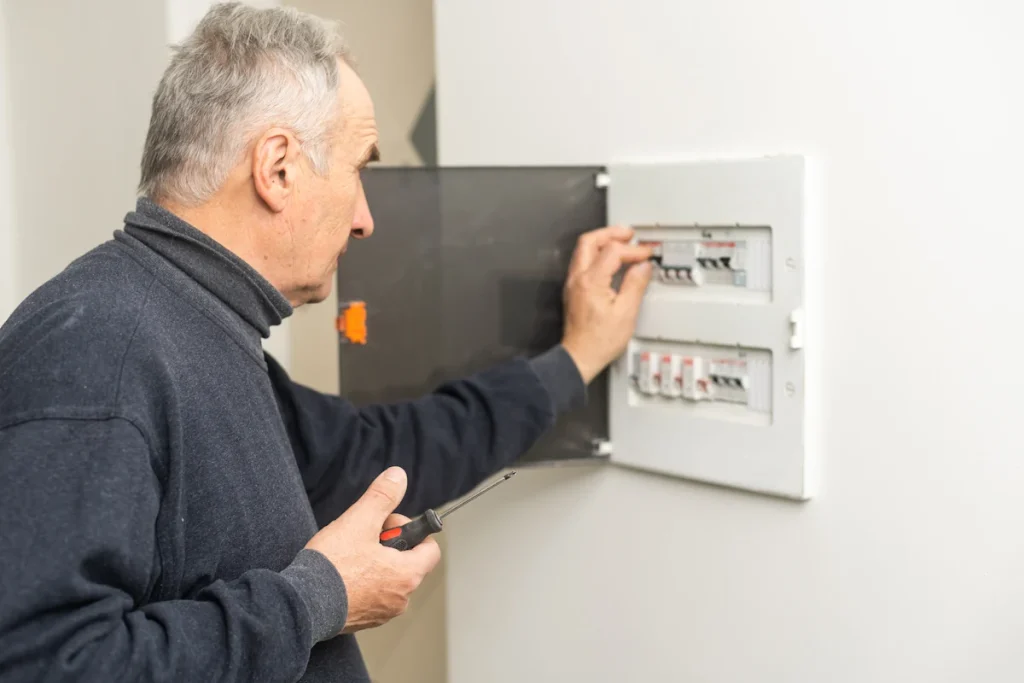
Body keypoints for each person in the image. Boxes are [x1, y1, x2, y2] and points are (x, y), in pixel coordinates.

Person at [0, 4, 652, 682]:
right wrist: (318, 598)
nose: (365, 219)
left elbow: (380, 454)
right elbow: (41, 664)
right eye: (358, 170)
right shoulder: (95, 353)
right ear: (278, 168)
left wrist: (575, 360)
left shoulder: (202, 332)